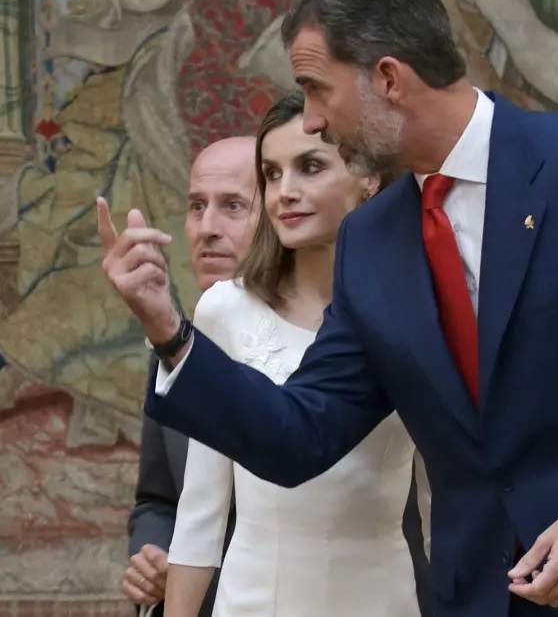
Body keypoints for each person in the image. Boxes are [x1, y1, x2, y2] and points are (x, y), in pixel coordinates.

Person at [97, 0, 558, 617]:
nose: (312, 119)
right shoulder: (372, 242)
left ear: (387, 78)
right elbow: (302, 432)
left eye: (317, 89)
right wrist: (170, 330)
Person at [163, 90, 427, 617]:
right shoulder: (224, 309)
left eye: (309, 167)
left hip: (383, 598)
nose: (285, 191)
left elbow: (439, 499)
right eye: (272, 173)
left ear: (367, 175)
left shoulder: (418, 308)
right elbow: (200, 512)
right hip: (255, 601)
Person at [124, 136, 261, 617]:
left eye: (233, 207)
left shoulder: (329, 343)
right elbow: (158, 499)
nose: (207, 228)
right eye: (196, 206)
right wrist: (153, 554)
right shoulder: (178, 338)